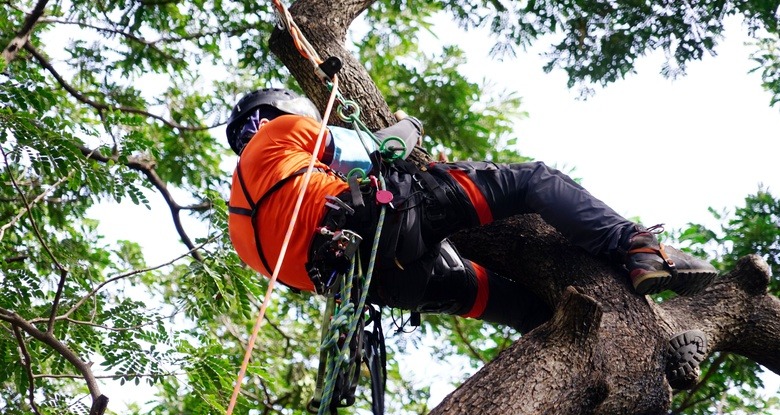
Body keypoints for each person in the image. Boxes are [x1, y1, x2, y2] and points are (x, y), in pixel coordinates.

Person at [226, 88, 718, 334]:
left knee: (511, 304)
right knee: (532, 180)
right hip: (389, 222)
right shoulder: (277, 135)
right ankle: (638, 248)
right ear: (281, 111)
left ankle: (588, 332)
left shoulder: (241, 238)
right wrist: (406, 132)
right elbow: (384, 148)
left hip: (388, 285)